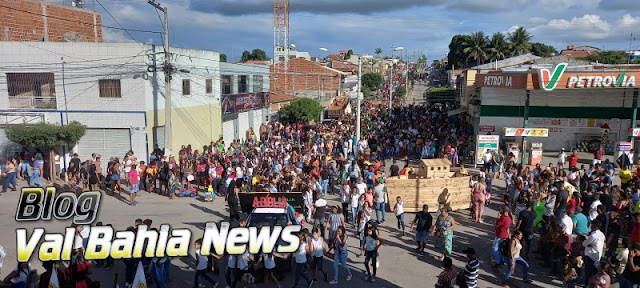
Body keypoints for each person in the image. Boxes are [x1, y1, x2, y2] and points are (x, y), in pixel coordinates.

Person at [583, 221, 606, 286]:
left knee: (588, 273)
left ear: (595, 227)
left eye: (592, 225)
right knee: (595, 273)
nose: (590, 226)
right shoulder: (602, 234)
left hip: (590, 255)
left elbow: (584, 243)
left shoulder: (593, 235)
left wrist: (587, 243)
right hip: (597, 256)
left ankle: (587, 285)